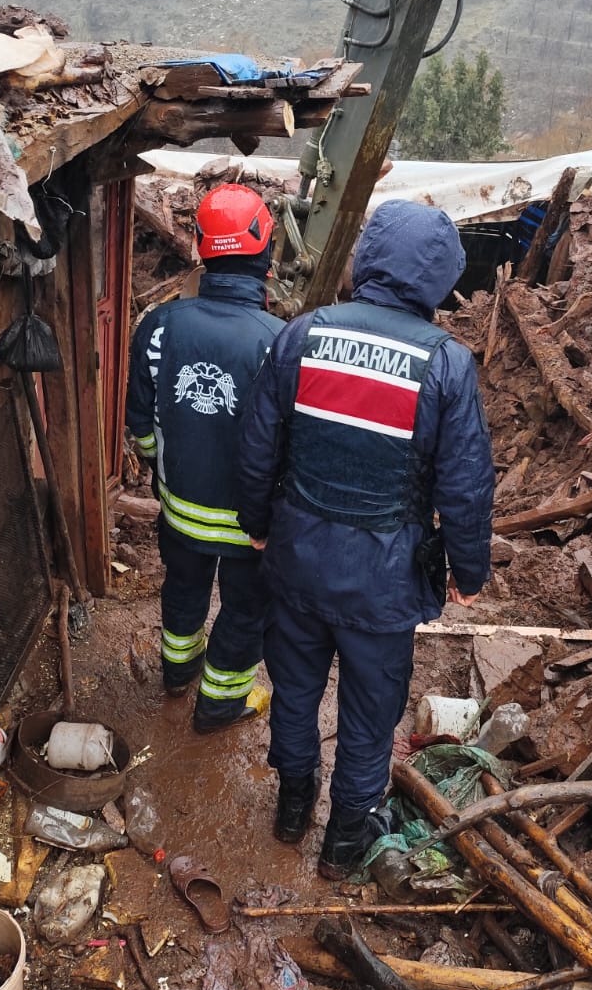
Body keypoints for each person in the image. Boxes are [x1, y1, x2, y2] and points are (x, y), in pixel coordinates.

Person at [238, 199, 495, 877]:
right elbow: (465, 486)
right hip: (384, 585)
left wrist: (257, 526)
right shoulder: (447, 364)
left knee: (295, 690)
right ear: (441, 278)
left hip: (297, 563)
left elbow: (258, 446)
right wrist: (468, 572)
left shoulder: (302, 335)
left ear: (368, 256)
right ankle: (345, 840)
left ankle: (293, 805)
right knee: (370, 710)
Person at [126, 183, 284, 734]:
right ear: (265, 248)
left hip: (180, 512)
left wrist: (163, 475)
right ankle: (219, 705)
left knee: (183, 588)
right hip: (250, 528)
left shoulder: (160, 326)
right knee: (246, 610)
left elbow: (141, 425)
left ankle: (177, 673)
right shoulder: (281, 341)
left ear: (200, 246)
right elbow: (285, 444)